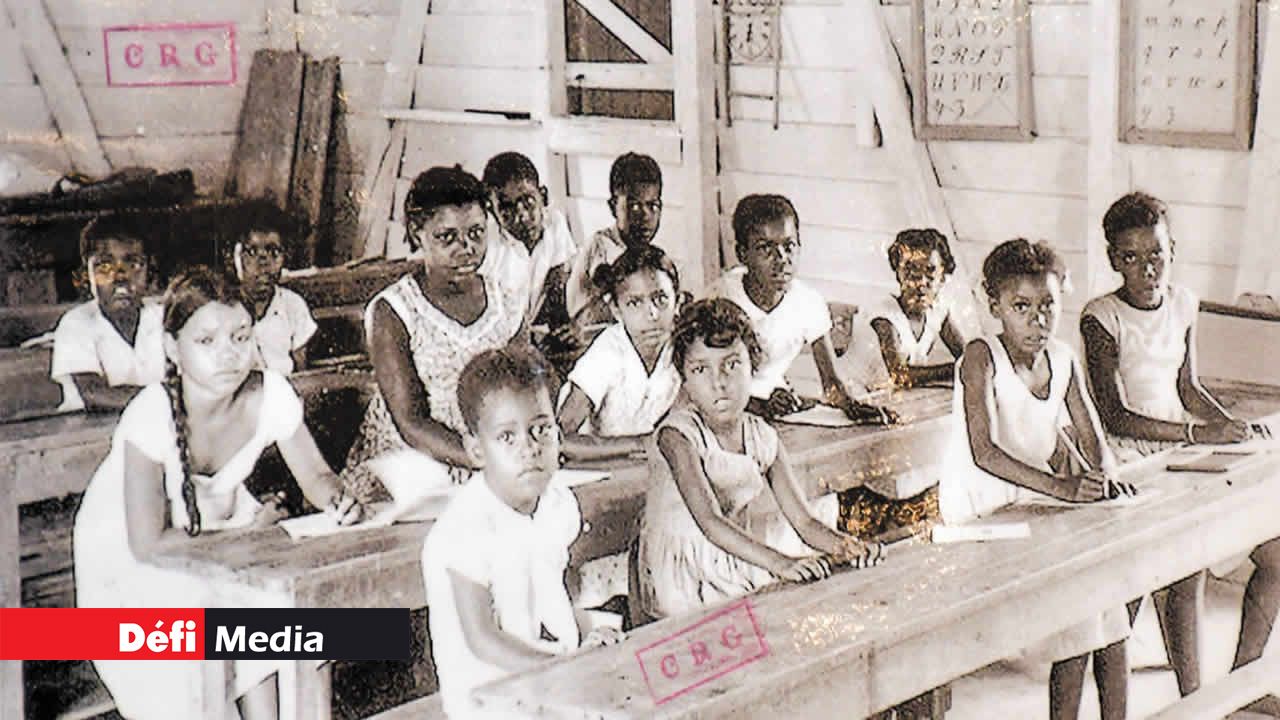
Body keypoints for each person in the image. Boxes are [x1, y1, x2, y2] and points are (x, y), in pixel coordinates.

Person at [73, 267, 362, 720]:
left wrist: (336, 499)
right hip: (129, 554)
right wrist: (253, 535)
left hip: (216, 528)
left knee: (292, 622)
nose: (228, 354)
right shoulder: (150, 414)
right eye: (206, 341)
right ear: (174, 348)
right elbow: (148, 545)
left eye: (240, 337)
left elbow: (317, 477)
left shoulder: (270, 393)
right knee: (205, 633)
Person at [1081, 191, 1272, 710]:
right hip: (1128, 459)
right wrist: (1197, 435)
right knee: (1127, 593)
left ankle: (1222, 693)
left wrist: (1227, 423)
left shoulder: (1184, 302)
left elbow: (1187, 387)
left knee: (1225, 565)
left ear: (1173, 251)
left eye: (1157, 255)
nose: (1148, 269)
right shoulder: (1101, 317)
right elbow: (1114, 414)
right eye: (1131, 257)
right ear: (1114, 260)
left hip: (1180, 453)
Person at [939, 238, 1135, 720]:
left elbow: (1093, 437)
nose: (1037, 320)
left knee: (1109, 603)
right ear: (995, 307)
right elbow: (984, 453)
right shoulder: (981, 357)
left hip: (1032, 510)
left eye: (1047, 305)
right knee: (1083, 607)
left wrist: (1107, 475)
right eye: (1021, 307)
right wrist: (1064, 489)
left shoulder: (1062, 358)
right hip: (979, 517)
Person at [637, 298, 884, 621]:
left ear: (753, 367)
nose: (718, 382)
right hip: (682, 573)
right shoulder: (677, 435)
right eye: (700, 369)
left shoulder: (762, 436)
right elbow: (710, 522)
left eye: (731, 364)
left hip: (733, 557)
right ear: (684, 379)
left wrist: (845, 545)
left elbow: (804, 522)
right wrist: (780, 562)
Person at [424, 346, 623, 718]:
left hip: (547, 672)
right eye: (507, 437)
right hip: (487, 697)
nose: (530, 448)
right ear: (476, 450)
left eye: (541, 430)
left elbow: (547, 594)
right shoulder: (464, 528)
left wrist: (588, 633)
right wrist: (563, 668)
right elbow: (482, 639)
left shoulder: (557, 503)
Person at [340, 166, 525, 515]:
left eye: (476, 233)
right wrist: (486, 459)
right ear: (418, 233)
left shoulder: (505, 301)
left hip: (493, 456)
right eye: (447, 237)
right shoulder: (394, 311)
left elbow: (523, 391)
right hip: (408, 463)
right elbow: (410, 422)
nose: (466, 248)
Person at [709, 194, 894, 424]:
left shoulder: (808, 302)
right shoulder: (721, 299)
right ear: (742, 254)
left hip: (773, 407)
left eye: (789, 246)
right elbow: (706, 380)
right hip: (719, 409)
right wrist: (757, 404)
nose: (781, 259)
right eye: (765, 248)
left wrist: (854, 407)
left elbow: (831, 384)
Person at [557, 245, 681, 461]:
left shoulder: (683, 348)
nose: (651, 314)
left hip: (647, 464)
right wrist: (641, 443)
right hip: (595, 465)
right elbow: (559, 439)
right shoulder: (607, 353)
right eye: (635, 303)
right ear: (616, 310)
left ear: (677, 301)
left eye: (661, 299)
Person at [51, 214, 164, 412]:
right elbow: (95, 394)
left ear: (150, 272)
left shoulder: (163, 318)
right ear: (86, 275)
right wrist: (170, 398)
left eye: (134, 264)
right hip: (90, 430)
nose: (120, 277)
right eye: (104, 266)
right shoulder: (76, 324)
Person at [563, 152, 663, 334]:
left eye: (653, 206)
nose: (645, 216)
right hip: (590, 333)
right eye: (634, 206)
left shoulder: (647, 253)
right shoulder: (602, 247)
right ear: (613, 207)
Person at [480, 151, 578, 328]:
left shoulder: (555, 222)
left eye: (528, 201)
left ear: (543, 196)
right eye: (507, 208)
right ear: (492, 211)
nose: (522, 217)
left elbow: (558, 279)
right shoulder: (488, 245)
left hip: (534, 327)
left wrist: (562, 327)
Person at [232, 200, 317, 374]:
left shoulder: (293, 306)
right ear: (236, 256)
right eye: (252, 252)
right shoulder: (223, 308)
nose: (263, 263)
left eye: (274, 252)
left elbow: (301, 375)